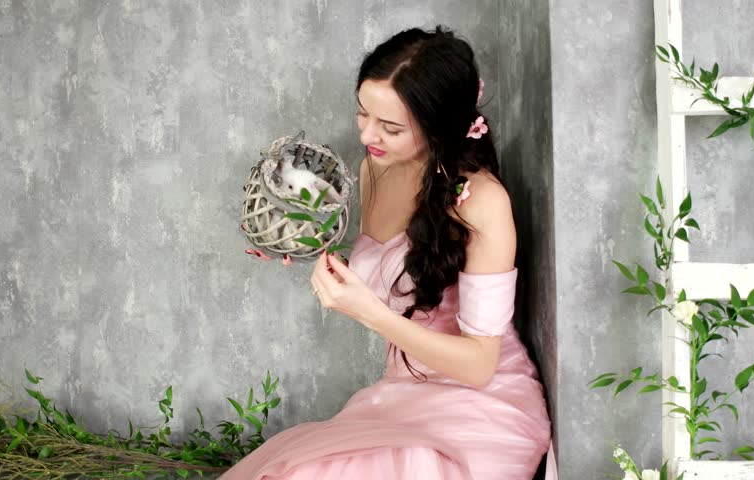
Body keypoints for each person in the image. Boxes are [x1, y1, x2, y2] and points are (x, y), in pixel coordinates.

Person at [232, 25, 556, 480]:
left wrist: (370, 314)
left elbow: (481, 364)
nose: (367, 135)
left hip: (482, 409)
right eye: (362, 113)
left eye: (390, 127)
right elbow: (402, 269)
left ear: (438, 125)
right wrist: (310, 246)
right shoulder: (374, 169)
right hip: (405, 393)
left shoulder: (482, 202)